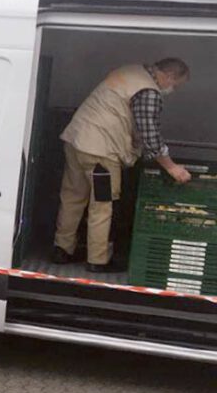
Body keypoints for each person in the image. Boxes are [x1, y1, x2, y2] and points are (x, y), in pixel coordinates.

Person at [53, 58, 191, 273]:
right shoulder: (148, 91)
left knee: (72, 196)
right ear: (170, 76)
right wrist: (171, 167)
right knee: (103, 204)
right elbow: (150, 135)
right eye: (175, 85)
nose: (171, 89)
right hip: (101, 153)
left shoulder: (129, 71)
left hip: (76, 140)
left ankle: (62, 249)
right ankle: (98, 260)